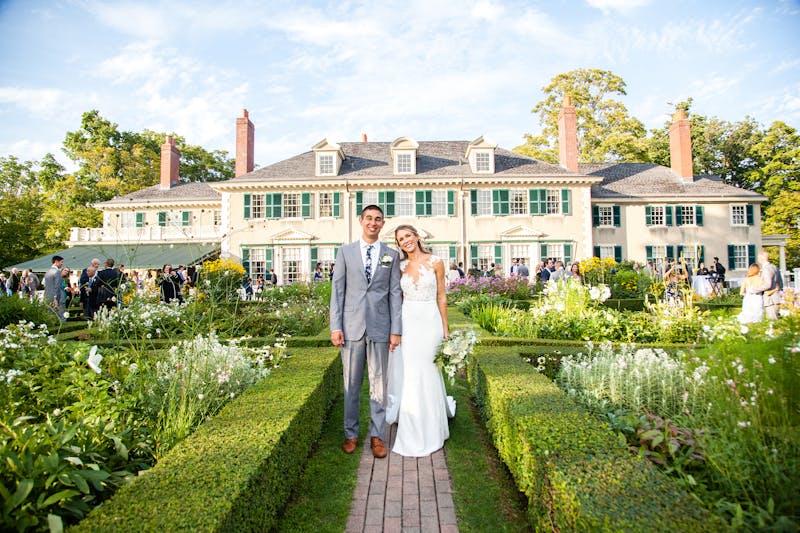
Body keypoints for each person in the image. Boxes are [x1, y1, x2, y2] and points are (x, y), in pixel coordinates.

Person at [329, 205, 402, 459]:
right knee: (351, 384)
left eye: (378, 219)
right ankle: (351, 434)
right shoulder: (345, 253)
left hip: (381, 328)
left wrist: (396, 330)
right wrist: (335, 326)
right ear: (361, 221)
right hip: (351, 328)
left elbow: (395, 293)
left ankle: (377, 435)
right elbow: (337, 292)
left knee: (379, 384)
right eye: (369, 218)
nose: (373, 223)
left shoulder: (391, 255)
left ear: (383, 224)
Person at [388, 224, 451, 457]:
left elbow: (441, 295)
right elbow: (395, 298)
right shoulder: (399, 266)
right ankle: (412, 426)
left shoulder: (436, 262)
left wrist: (445, 329)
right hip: (408, 322)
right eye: (400, 239)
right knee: (412, 373)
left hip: (430, 320)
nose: (405, 241)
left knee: (429, 370)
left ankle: (433, 427)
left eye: (408, 236)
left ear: (416, 236)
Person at [758, 251, 783, 320]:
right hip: (776, 297)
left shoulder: (766, 268)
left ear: (762, 258)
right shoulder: (775, 267)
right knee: (776, 321)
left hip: (770, 299)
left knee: (772, 322)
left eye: (758, 257)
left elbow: (768, 285)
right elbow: (781, 283)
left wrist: (754, 289)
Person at [43, 255, 66, 321]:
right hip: (57, 297)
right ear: (56, 261)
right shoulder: (57, 271)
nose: (62, 264)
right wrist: (56, 298)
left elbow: (46, 285)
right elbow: (57, 286)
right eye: (61, 262)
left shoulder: (48, 272)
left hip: (48, 296)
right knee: (61, 317)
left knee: (51, 316)